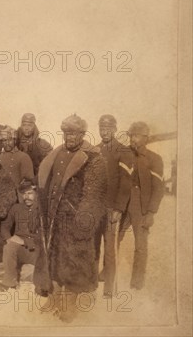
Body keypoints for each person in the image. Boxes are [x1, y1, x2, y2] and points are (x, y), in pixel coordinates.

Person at [35, 114, 106, 322]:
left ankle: (70, 303)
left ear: (83, 134)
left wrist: (83, 222)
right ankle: (55, 297)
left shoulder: (93, 158)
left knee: (75, 259)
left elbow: (94, 195)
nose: (70, 137)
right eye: (66, 133)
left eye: (74, 133)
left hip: (76, 218)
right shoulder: (56, 154)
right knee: (53, 257)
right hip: (53, 217)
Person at [114, 121, 164, 290]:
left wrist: (151, 212)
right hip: (123, 203)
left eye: (136, 136)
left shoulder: (154, 159)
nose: (132, 139)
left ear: (145, 138)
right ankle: (109, 273)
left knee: (140, 245)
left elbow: (158, 189)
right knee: (114, 238)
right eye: (131, 136)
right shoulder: (125, 155)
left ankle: (137, 282)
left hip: (141, 206)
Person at [95, 114, 127, 297]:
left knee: (109, 248)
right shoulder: (95, 150)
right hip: (97, 208)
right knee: (94, 245)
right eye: (101, 128)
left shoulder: (122, 151)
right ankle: (93, 281)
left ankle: (109, 289)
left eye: (108, 128)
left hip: (112, 208)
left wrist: (118, 209)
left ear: (115, 129)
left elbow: (125, 183)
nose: (104, 132)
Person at [0, 179, 41, 291]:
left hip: (37, 249)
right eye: (24, 194)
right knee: (9, 247)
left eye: (30, 193)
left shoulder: (42, 210)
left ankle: (42, 285)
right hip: (20, 249)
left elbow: (46, 235)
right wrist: (9, 238)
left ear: (37, 193)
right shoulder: (16, 208)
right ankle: (9, 282)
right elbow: (5, 226)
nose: (26, 197)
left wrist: (26, 242)